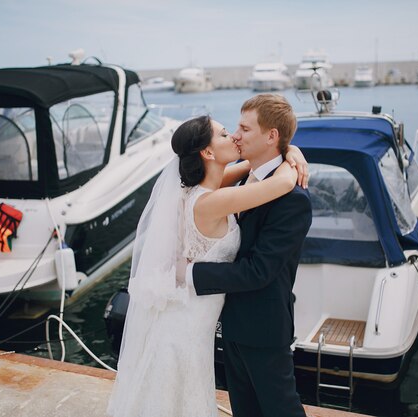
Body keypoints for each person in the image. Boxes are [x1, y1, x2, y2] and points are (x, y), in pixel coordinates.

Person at [107, 112, 308, 417]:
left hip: (195, 321)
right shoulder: (212, 201)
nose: (235, 137)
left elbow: (251, 170)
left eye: (239, 130)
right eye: (227, 133)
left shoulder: (204, 188)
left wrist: (291, 149)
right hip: (187, 326)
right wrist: (293, 161)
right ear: (208, 152)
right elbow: (281, 184)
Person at [188, 94, 312, 417]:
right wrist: (292, 150)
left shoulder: (293, 199)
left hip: (264, 330)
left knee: (283, 410)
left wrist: (191, 275)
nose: (236, 135)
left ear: (271, 136)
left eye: (245, 128)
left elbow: (259, 270)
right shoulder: (244, 178)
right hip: (232, 328)